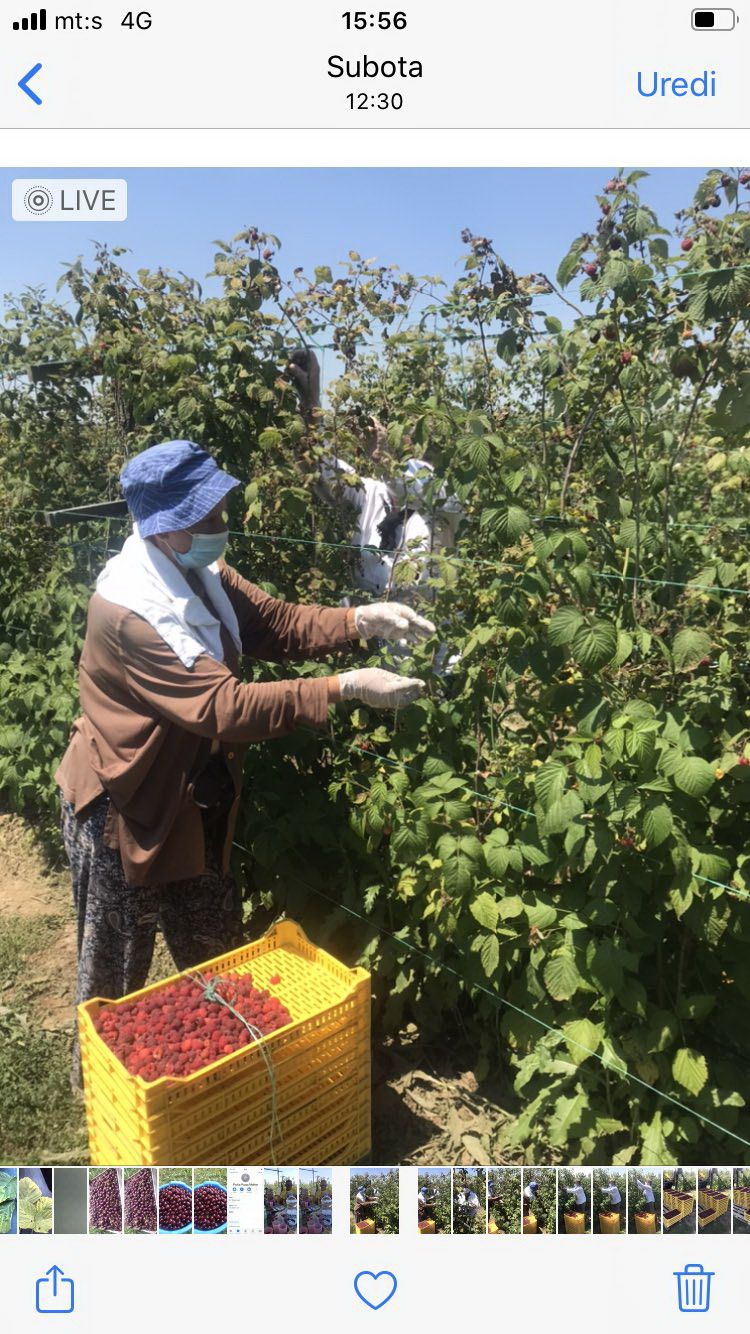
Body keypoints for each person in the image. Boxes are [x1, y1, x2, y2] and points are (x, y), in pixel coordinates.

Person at [54, 440, 434, 1082]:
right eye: (207, 512)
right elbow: (221, 708)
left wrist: (359, 620)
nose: (222, 520)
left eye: (221, 504)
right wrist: (342, 687)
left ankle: (226, 1081)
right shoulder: (130, 612)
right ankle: (102, 1096)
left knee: (217, 959)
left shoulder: (201, 571)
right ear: (166, 525)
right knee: (114, 975)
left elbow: (276, 624)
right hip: (125, 810)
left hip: (192, 800)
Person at [287, 347, 463, 606]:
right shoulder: (371, 493)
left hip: (423, 640)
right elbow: (321, 471)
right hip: (368, 631)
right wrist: (311, 403)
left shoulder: (441, 498)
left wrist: (384, 461)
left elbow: (414, 487)